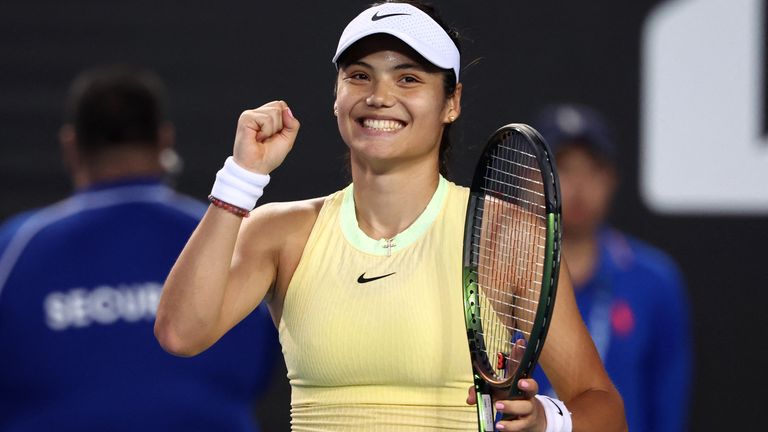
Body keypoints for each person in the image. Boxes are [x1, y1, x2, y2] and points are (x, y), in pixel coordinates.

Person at [155, 2, 627, 431]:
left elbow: (603, 406)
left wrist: (551, 421)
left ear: (452, 102)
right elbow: (180, 333)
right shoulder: (282, 233)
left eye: (408, 78)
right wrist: (240, 179)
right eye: (359, 76)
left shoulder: (506, 235)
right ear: (336, 96)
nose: (379, 96)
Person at [0, 67, 280, 432]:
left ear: (71, 146)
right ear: (165, 140)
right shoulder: (227, 238)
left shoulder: (16, 248)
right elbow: (263, 363)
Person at [532, 104, 692, 432]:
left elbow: (668, 404)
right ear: (532, 177)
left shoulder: (655, 280)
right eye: (563, 167)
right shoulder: (501, 274)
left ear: (612, 180)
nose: (578, 185)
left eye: (593, 169)